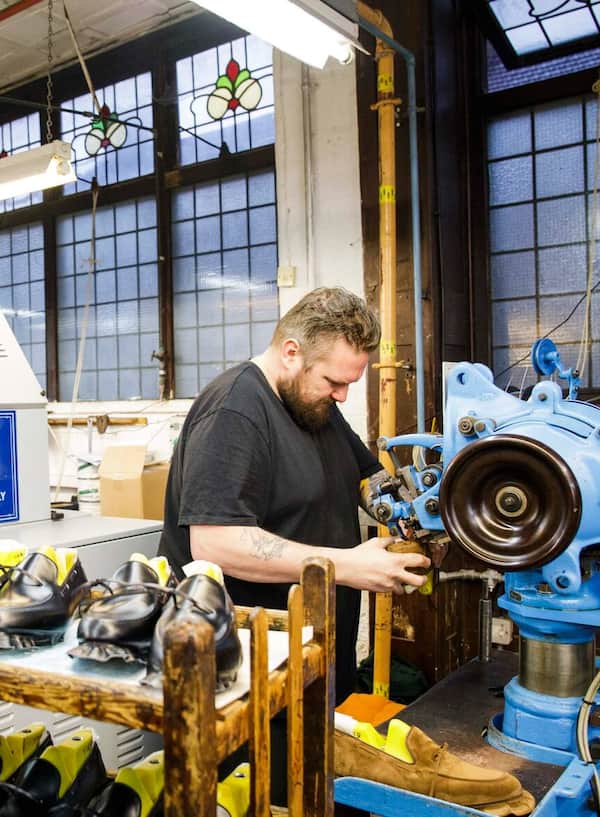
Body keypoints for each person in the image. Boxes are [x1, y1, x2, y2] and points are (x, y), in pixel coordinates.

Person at [156, 286, 429, 799]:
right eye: (334, 381)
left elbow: (364, 476)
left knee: (307, 789)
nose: (343, 395)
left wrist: (408, 510)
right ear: (291, 352)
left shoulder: (314, 404)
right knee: (257, 795)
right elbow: (216, 542)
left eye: (351, 383)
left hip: (310, 658)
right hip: (246, 671)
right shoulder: (236, 410)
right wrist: (345, 566)